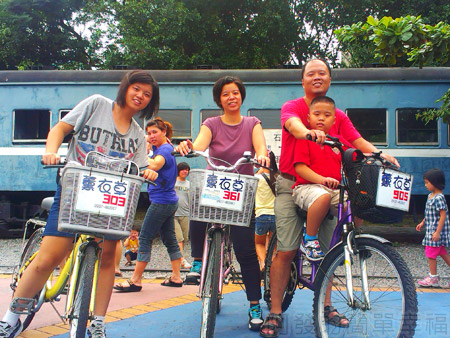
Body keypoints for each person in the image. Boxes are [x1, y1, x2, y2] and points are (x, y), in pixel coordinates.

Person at [0, 70, 159, 338]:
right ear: (125, 88)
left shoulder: (137, 135)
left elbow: (143, 166)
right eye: (137, 89)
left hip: (109, 200)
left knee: (108, 257)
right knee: (48, 257)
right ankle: (11, 317)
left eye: (147, 94)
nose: (140, 96)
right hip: (75, 189)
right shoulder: (96, 104)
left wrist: (150, 171)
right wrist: (51, 151)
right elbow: (60, 129)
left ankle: (97, 321)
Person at [260, 58, 399, 337]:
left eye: (322, 73)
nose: (316, 77)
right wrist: (310, 133)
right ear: (302, 80)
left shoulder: (338, 115)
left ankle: (326, 306)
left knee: (330, 251)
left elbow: (357, 140)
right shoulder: (294, 108)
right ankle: (275, 311)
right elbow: (295, 126)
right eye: (310, 73)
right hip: (292, 184)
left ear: (329, 79)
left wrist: (380, 154)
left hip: (329, 188)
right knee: (286, 250)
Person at [176, 76, 270, 331]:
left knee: (246, 253)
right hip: (217, 185)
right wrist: (189, 147)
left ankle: (253, 304)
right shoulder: (212, 123)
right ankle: (198, 261)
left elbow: (260, 147)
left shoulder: (252, 123)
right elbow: (199, 144)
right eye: (226, 94)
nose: (232, 97)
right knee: (198, 207)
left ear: (242, 96)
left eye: (236, 92)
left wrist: (261, 155)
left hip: (242, 190)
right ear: (219, 99)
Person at [114, 118, 183, 292]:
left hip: (161, 202)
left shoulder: (165, 150)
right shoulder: (159, 148)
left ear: (164, 132)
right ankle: (176, 277)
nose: (151, 136)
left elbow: (155, 164)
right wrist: (145, 144)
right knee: (170, 240)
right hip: (169, 201)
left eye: (155, 132)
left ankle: (136, 280)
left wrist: (139, 156)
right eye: (149, 133)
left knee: (144, 238)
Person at [292, 96, 349, 261]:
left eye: (327, 115)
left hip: (331, 189)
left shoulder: (337, 143)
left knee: (356, 203)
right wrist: (323, 180)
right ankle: (309, 239)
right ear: (309, 118)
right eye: (317, 114)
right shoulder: (305, 139)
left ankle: (350, 239)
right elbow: (300, 168)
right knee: (322, 196)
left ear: (334, 120)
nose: (322, 118)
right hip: (306, 188)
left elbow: (353, 157)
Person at [416, 168, 450, 287]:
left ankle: (433, 278)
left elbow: (443, 215)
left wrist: (437, 232)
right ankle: (433, 277)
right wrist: (423, 222)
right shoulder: (431, 196)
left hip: (435, 232)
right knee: (442, 253)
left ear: (435, 182)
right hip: (431, 229)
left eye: (427, 182)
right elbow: (430, 213)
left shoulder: (439, 197)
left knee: (430, 253)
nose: (425, 185)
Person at [254, 167, 276, 271]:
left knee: (259, 243)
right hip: (275, 216)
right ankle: (271, 265)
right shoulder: (277, 178)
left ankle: (263, 263)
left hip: (261, 215)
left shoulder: (256, 178)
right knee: (273, 246)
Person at [174, 162, 192, 269]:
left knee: (184, 238)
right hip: (173, 214)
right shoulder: (173, 182)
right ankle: (182, 260)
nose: (185, 171)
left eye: (186, 169)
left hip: (186, 214)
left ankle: (179, 258)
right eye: (182, 169)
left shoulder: (189, 184)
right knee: (179, 238)